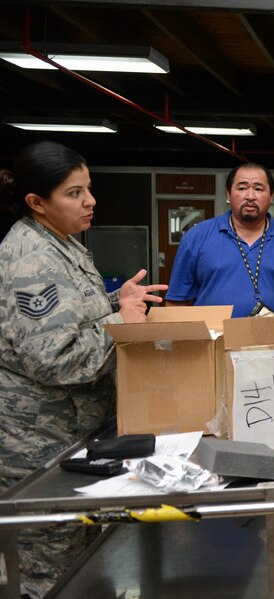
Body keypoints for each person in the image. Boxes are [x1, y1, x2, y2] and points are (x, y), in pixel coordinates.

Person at [0, 141, 167, 598]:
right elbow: (53, 356)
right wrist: (122, 319)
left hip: (73, 437)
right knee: (52, 572)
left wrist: (118, 301)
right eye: (74, 193)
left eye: (88, 189)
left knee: (88, 564)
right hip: (40, 445)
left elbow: (75, 315)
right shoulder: (32, 259)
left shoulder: (61, 244)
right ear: (37, 202)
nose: (90, 201)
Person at [165, 162, 274, 367]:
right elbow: (177, 300)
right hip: (212, 351)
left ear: (271, 195)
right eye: (242, 188)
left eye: (258, 188)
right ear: (228, 194)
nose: (250, 195)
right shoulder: (197, 237)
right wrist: (183, 351)